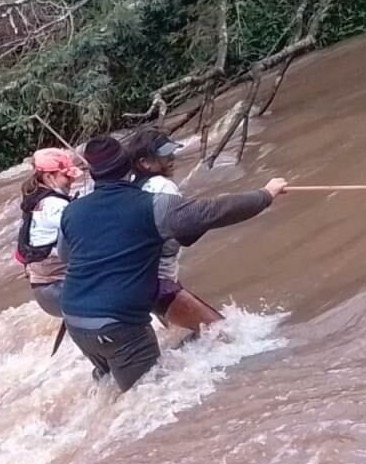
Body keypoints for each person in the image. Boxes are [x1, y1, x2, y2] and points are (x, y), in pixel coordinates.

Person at [57, 135, 287, 392]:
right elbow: (213, 211)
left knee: (113, 391)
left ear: (94, 175)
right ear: (128, 167)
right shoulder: (154, 205)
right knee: (149, 400)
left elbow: (66, 257)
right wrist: (265, 195)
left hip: (75, 321)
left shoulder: (72, 211)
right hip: (119, 326)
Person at [126, 127, 222, 334]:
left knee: (196, 334)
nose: (171, 158)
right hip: (158, 282)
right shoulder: (163, 187)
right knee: (222, 332)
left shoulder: (130, 187)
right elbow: (184, 229)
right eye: (163, 155)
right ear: (145, 162)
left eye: (170, 152)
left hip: (140, 280)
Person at [14, 148, 83, 318]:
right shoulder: (54, 206)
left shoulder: (35, 200)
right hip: (57, 291)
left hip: (45, 291)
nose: (72, 181)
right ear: (49, 177)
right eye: (67, 176)